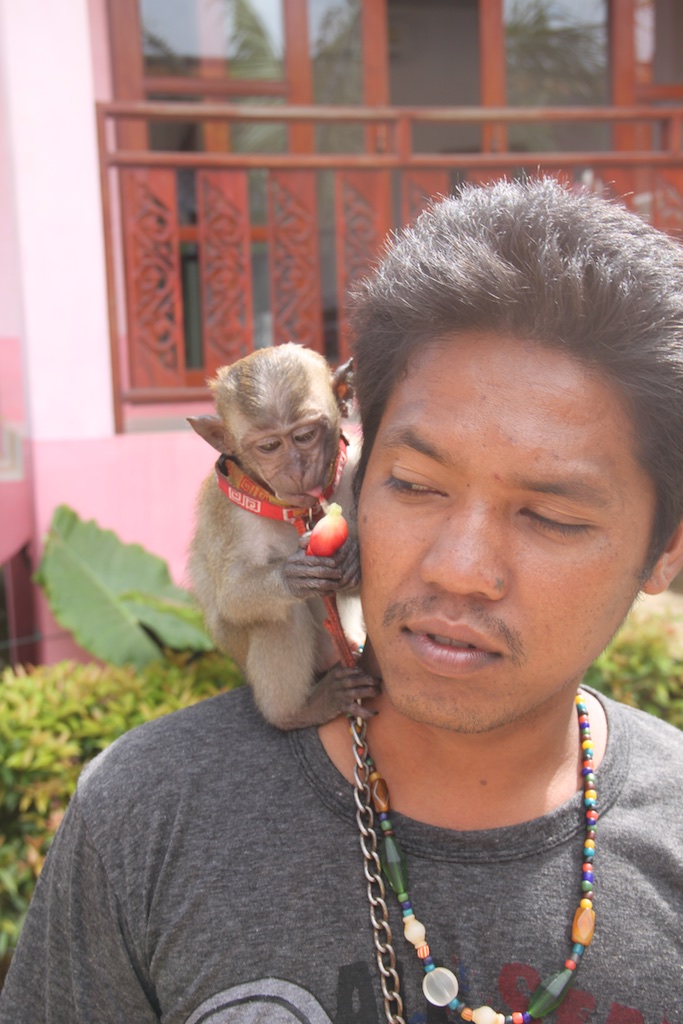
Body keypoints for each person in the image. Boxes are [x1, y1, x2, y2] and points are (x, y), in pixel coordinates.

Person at [2, 177, 683, 1024]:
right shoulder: (142, 819)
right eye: (411, 483)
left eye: (547, 513)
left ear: (664, 549)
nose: (459, 570)